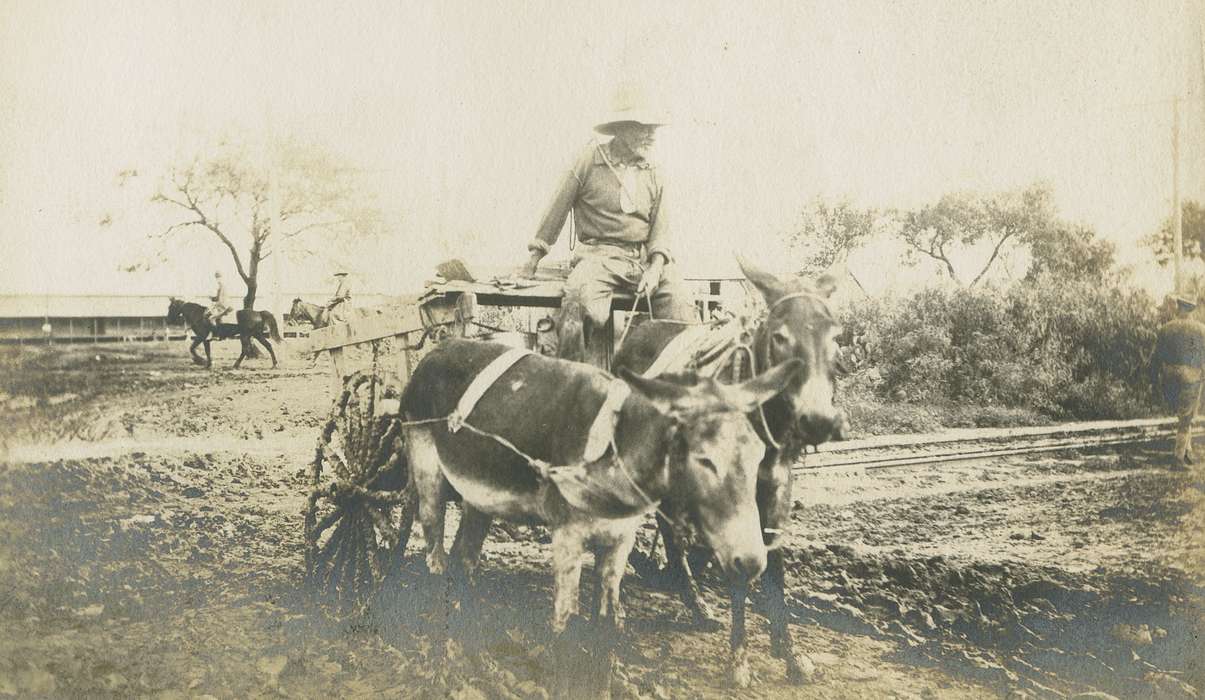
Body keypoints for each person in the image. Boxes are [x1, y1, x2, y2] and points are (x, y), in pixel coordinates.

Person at [522, 87, 698, 366]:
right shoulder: (588, 161)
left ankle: (672, 386)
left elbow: (661, 231)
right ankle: (570, 377)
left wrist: (655, 268)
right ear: (622, 129)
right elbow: (557, 208)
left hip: (642, 261)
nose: (651, 134)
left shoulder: (655, 172)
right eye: (644, 127)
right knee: (578, 301)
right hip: (598, 258)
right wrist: (534, 257)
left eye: (654, 127)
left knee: (681, 303)